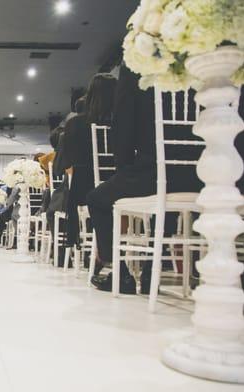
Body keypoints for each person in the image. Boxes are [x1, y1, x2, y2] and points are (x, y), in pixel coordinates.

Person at [87, 65, 204, 294]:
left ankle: (121, 273)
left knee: (97, 199)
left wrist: (124, 171)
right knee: (167, 207)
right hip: (206, 174)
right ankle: (152, 269)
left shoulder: (137, 65)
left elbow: (124, 125)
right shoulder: (201, 62)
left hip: (153, 171)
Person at [58, 75, 117, 250]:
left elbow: (68, 161)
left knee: (97, 196)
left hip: (84, 187)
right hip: (117, 181)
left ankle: (104, 251)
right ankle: (116, 246)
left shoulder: (75, 124)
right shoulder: (118, 121)